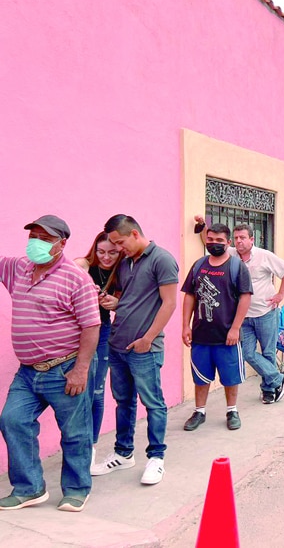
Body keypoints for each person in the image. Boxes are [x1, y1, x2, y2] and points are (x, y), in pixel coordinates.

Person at [0, 216, 100, 512]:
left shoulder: (76, 277)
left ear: (61, 244)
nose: (36, 243)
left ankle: (77, 488)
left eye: (45, 238)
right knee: (12, 420)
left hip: (64, 368)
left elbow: (91, 327)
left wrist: (80, 370)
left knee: (75, 432)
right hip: (28, 372)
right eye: (33, 236)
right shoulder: (19, 268)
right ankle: (30, 488)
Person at [92, 215, 178, 486]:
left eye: (119, 243)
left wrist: (148, 339)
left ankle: (156, 458)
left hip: (144, 349)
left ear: (134, 234)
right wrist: (115, 303)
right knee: (123, 402)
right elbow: (134, 299)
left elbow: (169, 304)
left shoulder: (162, 259)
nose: (117, 249)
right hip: (117, 345)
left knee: (153, 403)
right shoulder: (127, 262)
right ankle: (123, 453)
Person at [194, 216, 284, 406]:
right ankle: (277, 378)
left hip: (265, 313)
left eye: (243, 238)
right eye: (237, 238)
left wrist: (281, 294)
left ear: (251, 239)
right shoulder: (230, 253)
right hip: (242, 317)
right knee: (247, 353)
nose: (239, 241)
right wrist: (203, 226)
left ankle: (269, 390)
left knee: (268, 353)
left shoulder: (265, 255)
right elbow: (209, 240)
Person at [181, 223, 252, 432]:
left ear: (228, 243)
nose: (214, 244)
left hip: (227, 335)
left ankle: (232, 410)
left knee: (230, 377)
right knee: (200, 377)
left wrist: (235, 328)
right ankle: (199, 411)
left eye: (219, 241)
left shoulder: (237, 267)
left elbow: (245, 298)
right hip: (201, 335)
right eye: (210, 240)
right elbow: (190, 295)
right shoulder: (198, 265)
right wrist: (185, 325)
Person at [74, 231, 123, 470]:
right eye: (101, 251)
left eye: (112, 252)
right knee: (77, 389)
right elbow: (74, 267)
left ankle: (91, 448)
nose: (106, 257)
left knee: (97, 390)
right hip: (76, 331)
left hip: (103, 330)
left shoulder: (122, 272)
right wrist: (83, 281)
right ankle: (76, 446)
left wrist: (115, 303)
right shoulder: (86, 264)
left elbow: (127, 302)